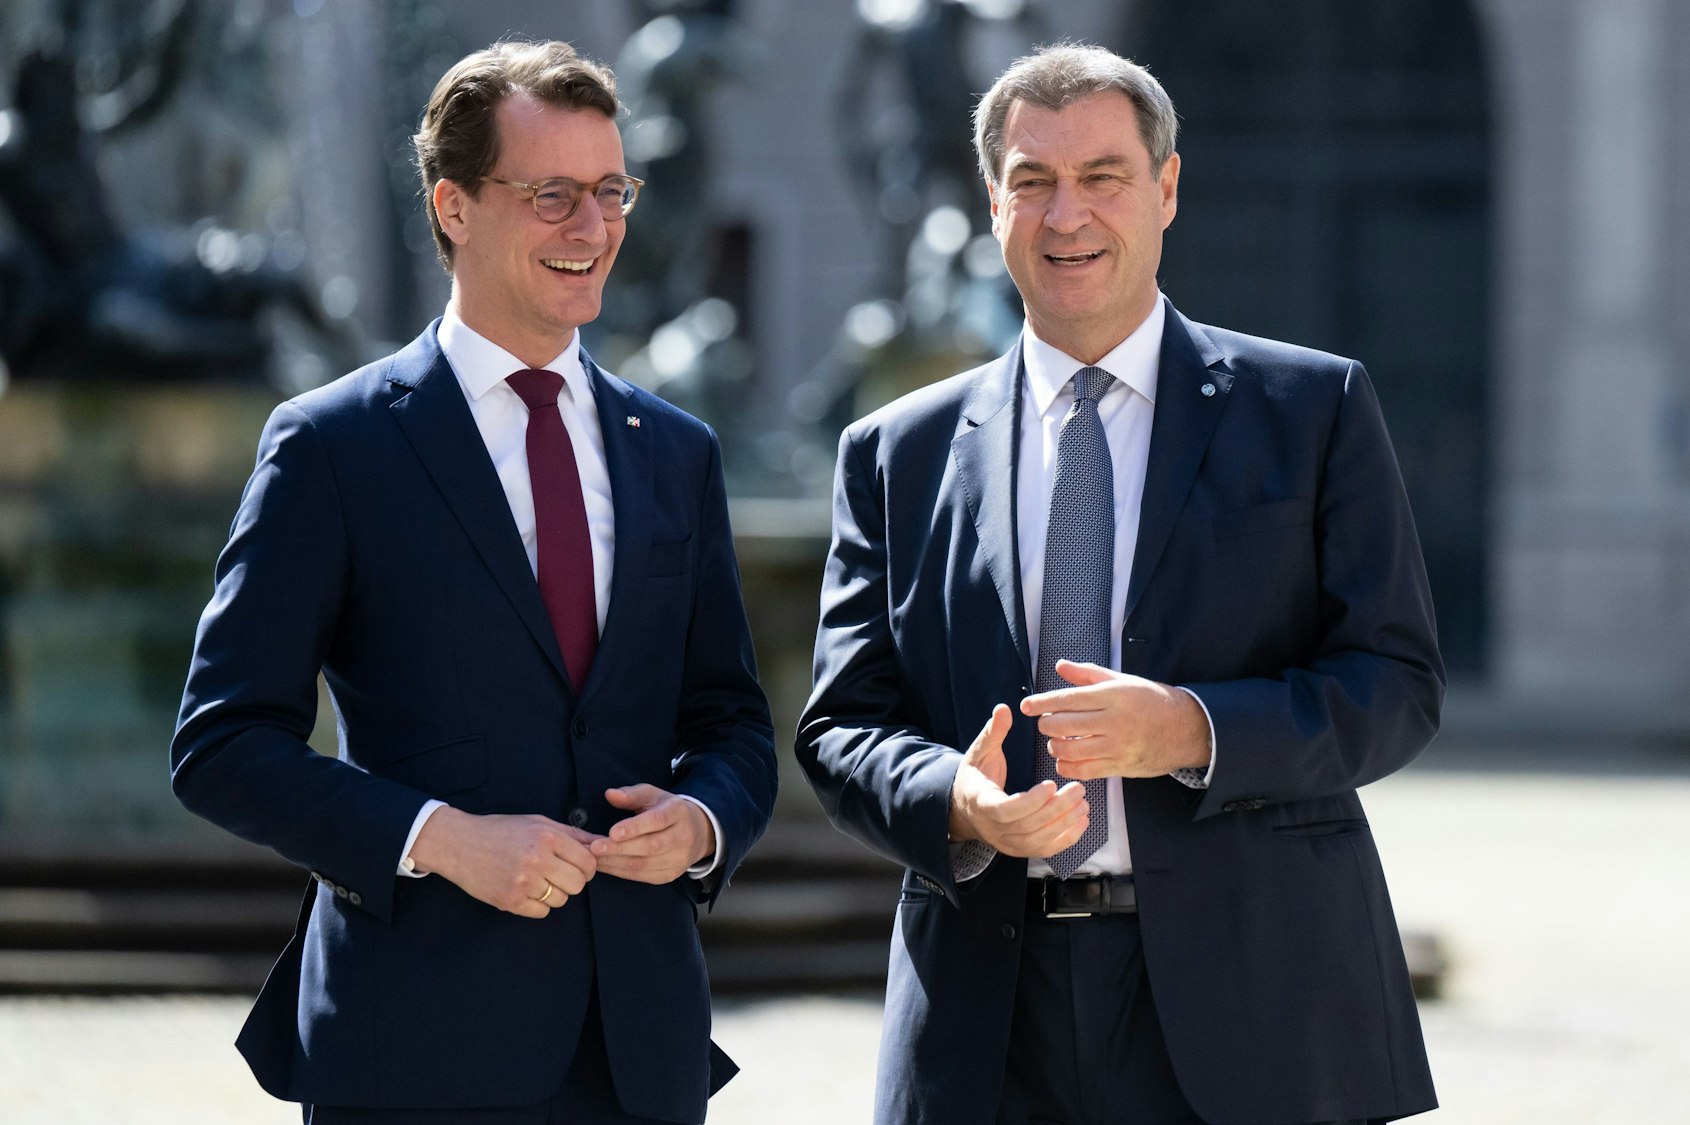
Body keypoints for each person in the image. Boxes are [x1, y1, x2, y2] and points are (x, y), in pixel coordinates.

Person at [798, 43, 1445, 1125]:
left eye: (1102, 176)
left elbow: (1397, 685)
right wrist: (953, 800)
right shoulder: (894, 451)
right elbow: (840, 727)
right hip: (986, 1014)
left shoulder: (1311, 409)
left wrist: (1192, 730)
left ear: (1166, 188)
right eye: (1032, 181)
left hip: (1260, 996)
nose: (1068, 216)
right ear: (992, 202)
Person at [170, 40, 775, 1124]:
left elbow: (731, 723)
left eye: (610, 192)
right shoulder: (332, 445)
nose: (592, 229)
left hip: (640, 1050)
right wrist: (439, 838)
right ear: (453, 206)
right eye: (552, 196)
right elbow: (221, 744)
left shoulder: (676, 451)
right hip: (412, 1047)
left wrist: (700, 822)